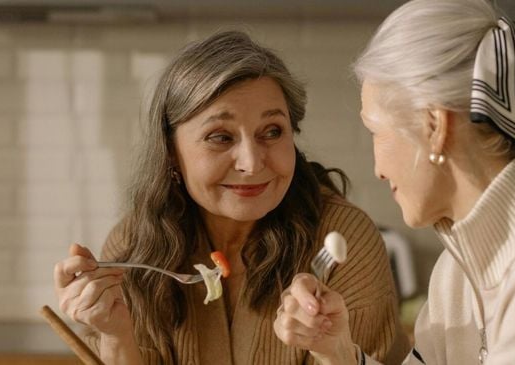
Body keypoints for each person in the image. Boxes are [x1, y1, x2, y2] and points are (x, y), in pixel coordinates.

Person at [53, 31, 409, 365]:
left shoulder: (342, 243)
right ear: (171, 152)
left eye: (272, 131)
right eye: (220, 137)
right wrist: (115, 335)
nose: (252, 163)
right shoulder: (134, 247)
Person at [273, 0, 515, 364]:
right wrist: (339, 350)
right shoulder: (454, 273)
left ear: (435, 126)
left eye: (376, 132)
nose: (378, 169)